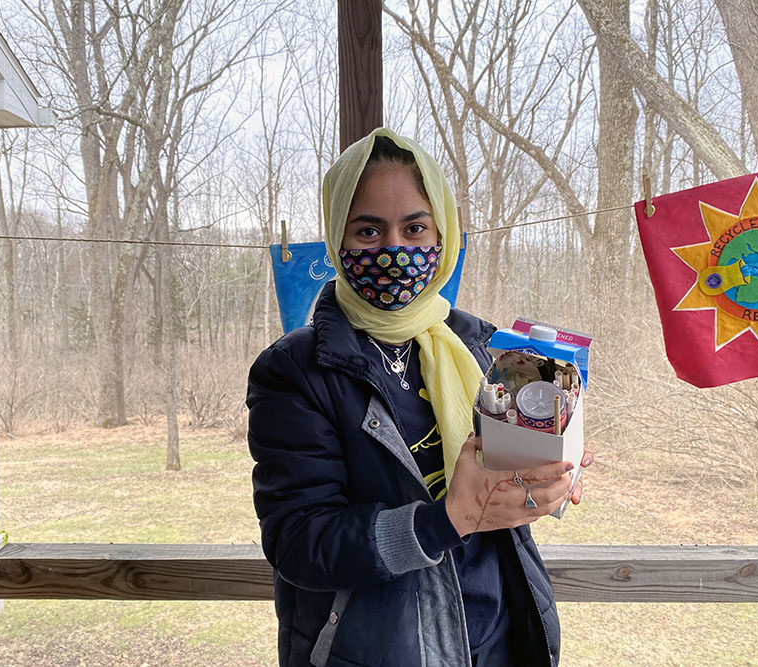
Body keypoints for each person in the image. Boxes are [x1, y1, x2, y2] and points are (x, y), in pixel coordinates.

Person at [247, 127, 591, 667]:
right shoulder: (295, 371)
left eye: (414, 228)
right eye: (367, 230)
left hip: (500, 640)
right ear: (338, 238)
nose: (393, 250)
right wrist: (446, 519)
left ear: (444, 234)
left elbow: (507, 478)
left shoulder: (479, 346)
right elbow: (300, 542)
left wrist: (550, 471)